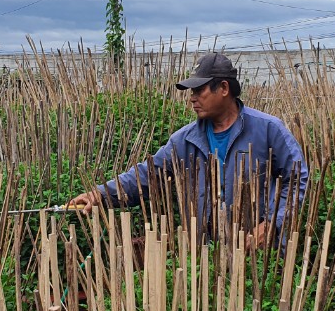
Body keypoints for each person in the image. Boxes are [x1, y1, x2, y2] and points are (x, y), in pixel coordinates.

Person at [69, 52, 309, 250]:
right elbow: (146, 175)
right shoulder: (185, 139)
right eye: (191, 92)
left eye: (199, 91)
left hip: (259, 253)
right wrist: (99, 195)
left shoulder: (268, 129)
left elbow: (297, 177)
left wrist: (272, 225)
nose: (192, 98)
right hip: (205, 253)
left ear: (224, 88)